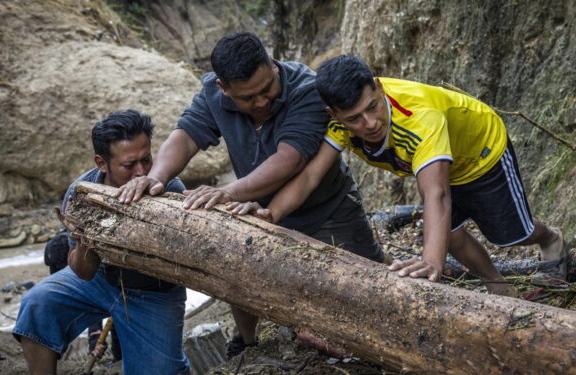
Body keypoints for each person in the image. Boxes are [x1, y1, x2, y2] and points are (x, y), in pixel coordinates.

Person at [114, 32, 387, 357]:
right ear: (223, 88)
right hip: (257, 211)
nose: (260, 102)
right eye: (248, 97)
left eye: (267, 89)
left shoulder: (307, 90)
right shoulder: (212, 95)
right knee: (239, 272)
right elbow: (186, 135)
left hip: (328, 208)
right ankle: (248, 343)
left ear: (272, 65)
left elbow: (290, 159)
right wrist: (156, 177)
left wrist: (227, 192)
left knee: (370, 287)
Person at [240, 55, 568, 296]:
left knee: (510, 235)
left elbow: (436, 194)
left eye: (372, 107)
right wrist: (272, 213)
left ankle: (551, 238)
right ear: (334, 115)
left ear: (379, 88)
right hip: (438, 164)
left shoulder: (420, 116)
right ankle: (497, 285)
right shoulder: (339, 124)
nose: (368, 124)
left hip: (480, 153)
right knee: (449, 234)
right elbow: (310, 176)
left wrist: (430, 262)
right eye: (354, 118)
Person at [13, 110, 190, 374]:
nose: (141, 172)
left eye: (147, 160)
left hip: (154, 293)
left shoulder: (170, 189)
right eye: (129, 165)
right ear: (102, 163)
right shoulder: (81, 192)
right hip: (99, 281)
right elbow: (83, 273)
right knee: (38, 304)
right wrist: (87, 238)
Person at [43, 232, 123, 364]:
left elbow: (91, 293)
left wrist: (94, 335)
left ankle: (119, 359)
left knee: (118, 316)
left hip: (120, 286)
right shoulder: (56, 249)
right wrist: (95, 336)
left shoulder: (89, 254)